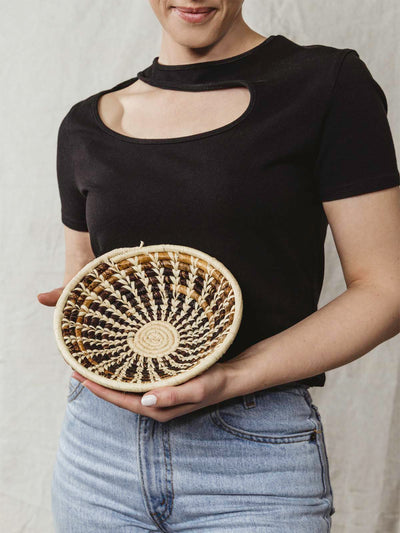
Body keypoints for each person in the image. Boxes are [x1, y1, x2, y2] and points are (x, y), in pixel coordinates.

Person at [38, 1, 400, 531]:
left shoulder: (326, 84)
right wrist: (82, 315)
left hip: (253, 464)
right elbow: (87, 279)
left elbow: (387, 288)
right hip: (97, 454)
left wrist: (233, 376)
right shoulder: (84, 122)